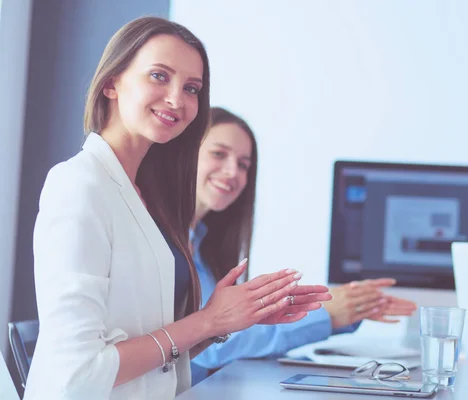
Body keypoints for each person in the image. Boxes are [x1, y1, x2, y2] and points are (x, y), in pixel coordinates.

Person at [24, 17, 330, 399]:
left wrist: (228, 321)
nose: (177, 99)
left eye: (191, 88)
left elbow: (157, 349)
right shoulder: (78, 184)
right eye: (158, 76)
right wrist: (208, 319)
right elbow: (80, 371)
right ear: (111, 83)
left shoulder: (148, 195)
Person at [189, 107, 417, 382]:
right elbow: (207, 345)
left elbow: (230, 334)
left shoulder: (203, 247)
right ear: (185, 151)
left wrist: (345, 308)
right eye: (219, 154)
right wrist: (325, 316)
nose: (232, 171)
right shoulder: (169, 245)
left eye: (243, 164)